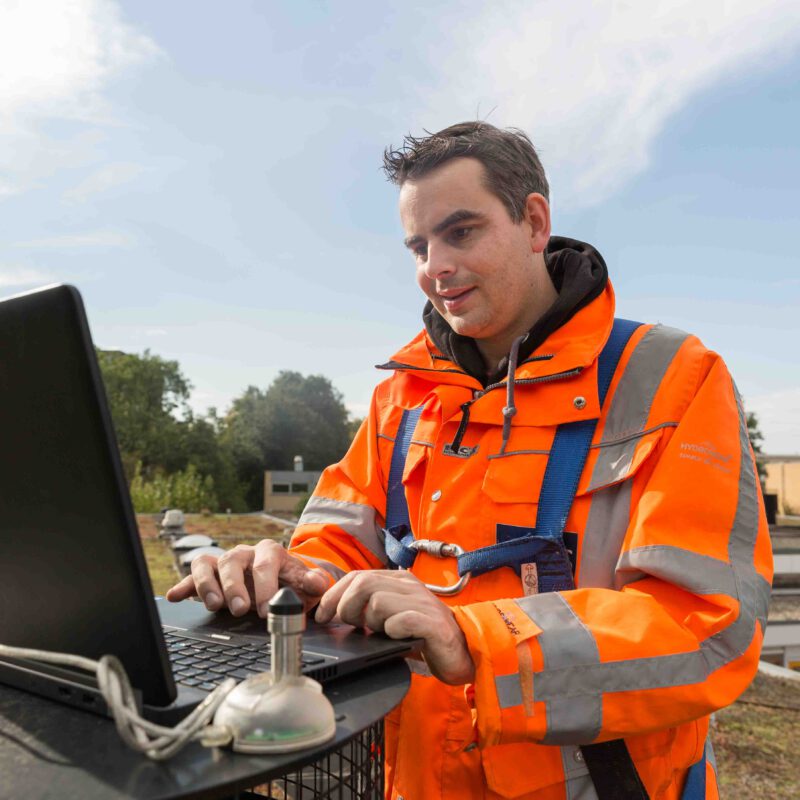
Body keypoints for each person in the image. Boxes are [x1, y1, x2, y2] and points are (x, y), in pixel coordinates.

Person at [167, 122, 773, 800]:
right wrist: (286, 575)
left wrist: (477, 642)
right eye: (418, 246)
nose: (435, 267)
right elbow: (338, 543)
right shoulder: (403, 395)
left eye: (461, 233)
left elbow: (707, 629)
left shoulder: (672, 381)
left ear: (534, 221)